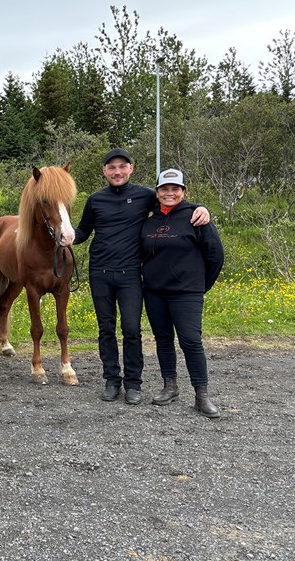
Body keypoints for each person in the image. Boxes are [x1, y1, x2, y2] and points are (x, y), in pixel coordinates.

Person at [66, 148, 210, 405]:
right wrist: (67, 235)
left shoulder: (145, 195)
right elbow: (84, 231)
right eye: (112, 167)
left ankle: (133, 383)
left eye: (122, 166)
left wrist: (201, 208)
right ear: (105, 171)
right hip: (99, 272)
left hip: (131, 274)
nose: (117, 172)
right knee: (105, 329)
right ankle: (112, 380)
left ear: (131, 169)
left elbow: (174, 204)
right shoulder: (95, 200)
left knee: (132, 330)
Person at [141, 169, 224, 418]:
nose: (170, 193)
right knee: (163, 339)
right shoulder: (149, 221)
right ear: (157, 193)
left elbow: (215, 255)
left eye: (175, 189)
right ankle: (170, 386)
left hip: (186, 293)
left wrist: (200, 285)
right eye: (164, 189)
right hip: (154, 292)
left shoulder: (196, 218)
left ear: (183, 191)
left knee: (190, 341)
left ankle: (202, 395)